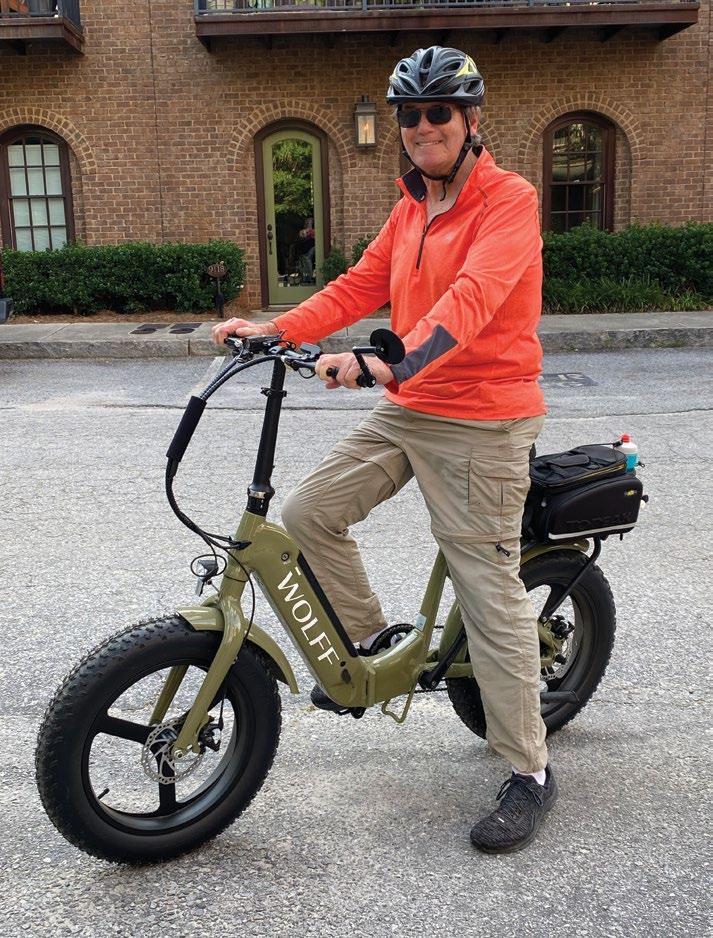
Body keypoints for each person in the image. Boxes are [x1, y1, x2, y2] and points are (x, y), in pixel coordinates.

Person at [212, 46, 557, 854]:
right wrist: (274, 330)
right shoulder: (410, 208)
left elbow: (471, 301)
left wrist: (385, 361)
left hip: (483, 417)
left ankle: (529, 770)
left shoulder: (508, 200)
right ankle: (373, 645)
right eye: (410, 115)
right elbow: (359, 285)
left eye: (438, 112)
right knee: (307, 513)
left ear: (470, 121)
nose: (422, 127)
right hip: (410, 408)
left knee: (486, 588)